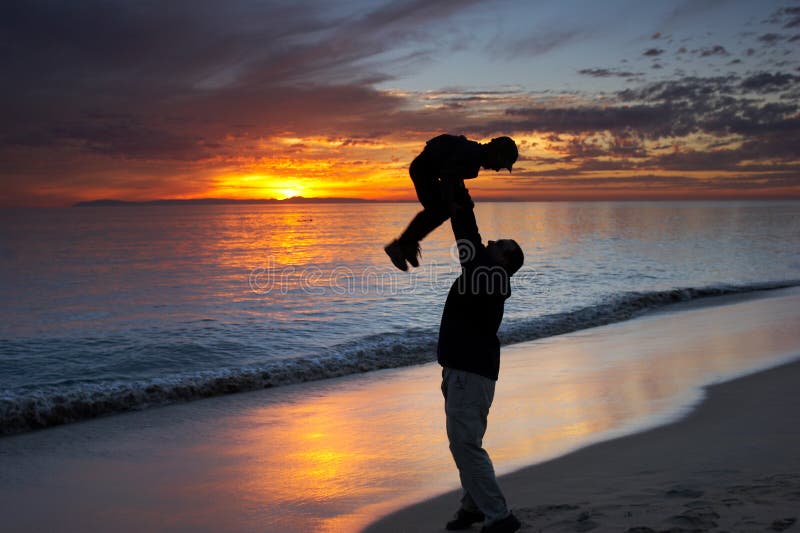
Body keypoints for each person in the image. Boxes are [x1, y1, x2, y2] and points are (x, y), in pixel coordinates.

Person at [437, 187, 524, 532]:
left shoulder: (490, 277)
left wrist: (461, 206)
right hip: (466, 372)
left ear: (503, 261)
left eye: (498, 245)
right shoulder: (485, 277)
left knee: (465, 445)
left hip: (470, 375)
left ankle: (499, 516)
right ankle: (472, 506)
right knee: (466, 442)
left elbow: (469, 242)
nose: (490, 243)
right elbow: (473, 246)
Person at [384, 134, 519, 271]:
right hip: (423, 171)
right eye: (500, 165)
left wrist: (462, 199)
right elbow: (448, 175)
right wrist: (451, 202)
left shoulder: (473, 157)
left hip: (426, 171)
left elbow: (455, 178)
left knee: (440, 210)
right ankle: (402, 246)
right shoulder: (472, 157)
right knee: (440, 210)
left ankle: (407, 244)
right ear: (496, 153)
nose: (496, 169)